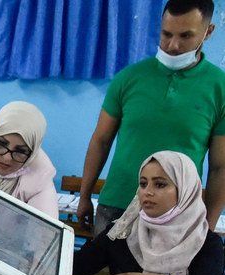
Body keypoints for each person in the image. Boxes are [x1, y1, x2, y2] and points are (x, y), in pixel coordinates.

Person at [77, 0, 225, 236]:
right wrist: (85, 196)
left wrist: (207, 224)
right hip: (117, 206)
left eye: (186, 36)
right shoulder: (129, 78)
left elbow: (220, 168)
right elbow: (101, 140)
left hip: (177, 215)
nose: (173, 45)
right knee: (109, 273)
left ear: (208, 32)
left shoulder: (220, 89)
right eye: (166, 34)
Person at [73, 151, 224, 275]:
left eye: (160, 184)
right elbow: (76, 267)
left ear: (186, 190)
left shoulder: (205, 242)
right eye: (143, 184)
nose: (148, 192)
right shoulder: (122, 230)